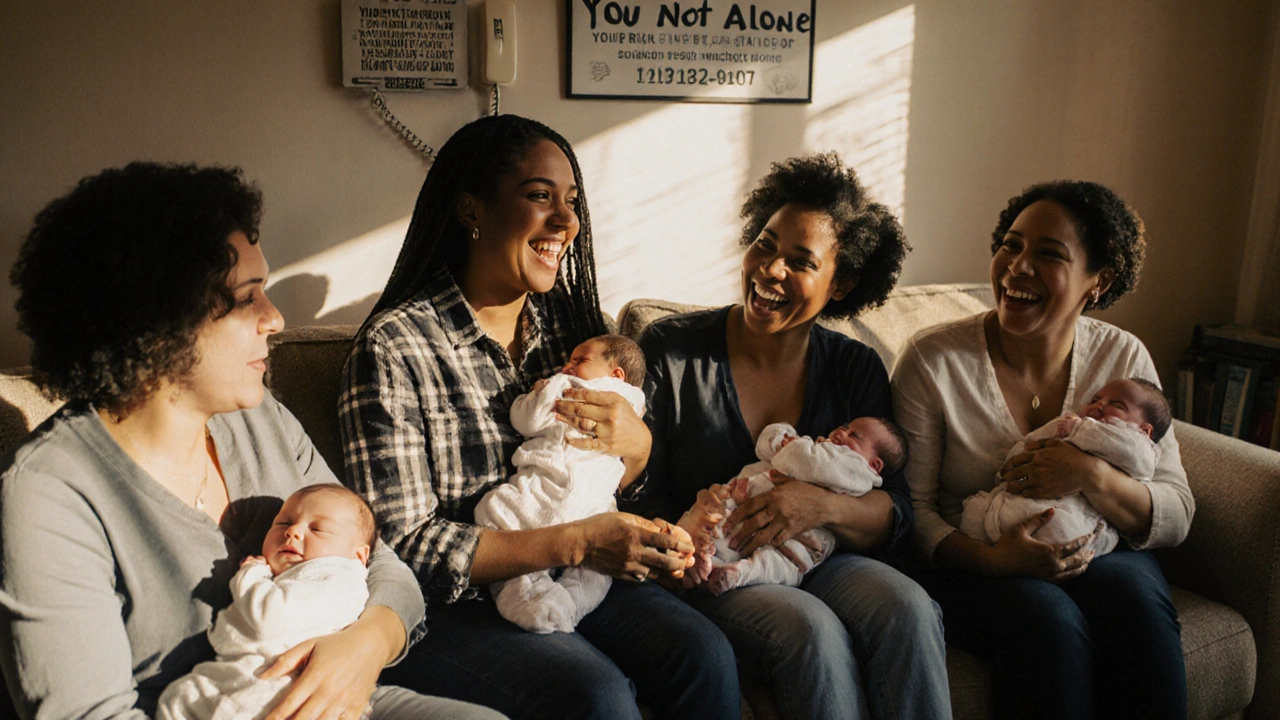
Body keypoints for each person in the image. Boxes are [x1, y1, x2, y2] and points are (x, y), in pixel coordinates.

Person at [0, 162, 502, 720]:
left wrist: (368, 643)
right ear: (159, 322)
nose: (275, 318)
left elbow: (381, 563)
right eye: (248, 298)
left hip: (334, 698)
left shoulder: (260, 419)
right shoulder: (46, 496)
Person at [339, 115, 740, 720]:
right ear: (472, 211)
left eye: (572, 201)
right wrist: (576, 543)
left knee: (703, 652)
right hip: (458, 607)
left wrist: (638, 451)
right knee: (594, 696)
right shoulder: (395, 346)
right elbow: (402, 543)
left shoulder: (577, 333)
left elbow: (613, 488)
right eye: (540, 196)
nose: (567, 221)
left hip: (584, 572)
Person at [626, 152, 951, 720]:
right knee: (810, 629)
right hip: (722, 562)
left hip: (824, 556)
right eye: (766, 244)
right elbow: (635, 490)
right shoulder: (670, 350)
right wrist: (686, 528)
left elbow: (894, 510)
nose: (770, 270)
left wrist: (817, 504)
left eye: (800, 261)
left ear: (843, 282)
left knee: (909, 605)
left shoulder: (855, 367)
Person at [891, 180, 1194, 718]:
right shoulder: (934, 360)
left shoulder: (1123, 357)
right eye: (1010, 244)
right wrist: (990, 560)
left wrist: (1088, 475)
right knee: (1046, 620)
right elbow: (911, 513)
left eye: (1048, 254)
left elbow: (1175, 513)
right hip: (972, 559)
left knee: (1137, 605)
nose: (1017, 267)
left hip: (1096, 545)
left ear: (1097, 282)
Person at [474, 334, 662, 635]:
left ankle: (525, 597)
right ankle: (569, 606)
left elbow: (528, 422)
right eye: (569, 361)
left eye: (579, 360)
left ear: (616, 375)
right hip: (597, 504)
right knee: (596, 575)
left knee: (493, 513)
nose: (567, 366)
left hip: (549, 490)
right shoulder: (636, 407)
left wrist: (539, 393)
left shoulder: (566, 389)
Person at [157, 484, 381, 720]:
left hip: (276, 690)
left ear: (359, 556)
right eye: (283, 523)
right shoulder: (304, 578)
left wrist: (252, 574)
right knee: (180, 699)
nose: (293, 531)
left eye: (318, 528)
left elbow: (269, 618)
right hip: (253, 682)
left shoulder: (339, 577)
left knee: (181, 700)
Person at [695, 417, 907, 597]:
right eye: (845, 427)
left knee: (782, 564)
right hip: (751, 503)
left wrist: (789, 444)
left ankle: (737, 574)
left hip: (805, 539)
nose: (842, 432)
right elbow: (765, 448)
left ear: (875, 465)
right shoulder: (818, 450)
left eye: (854, 436)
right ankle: (708, 560)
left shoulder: (857, 471)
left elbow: (809, 465)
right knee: (721, 522)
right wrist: (780, 438)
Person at [959, 377, 1171, 556]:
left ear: (1145, 431)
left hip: (1073, 514)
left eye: (1116, 405)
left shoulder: (1138, 446)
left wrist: (1079, 430)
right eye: (1096, 399)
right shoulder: (1068, 423)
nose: (1099, 404)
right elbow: (1030, 443)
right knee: (972, 517)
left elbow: (1131, 455)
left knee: (1060, 531)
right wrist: (1013, 468)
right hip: (1020, 497)